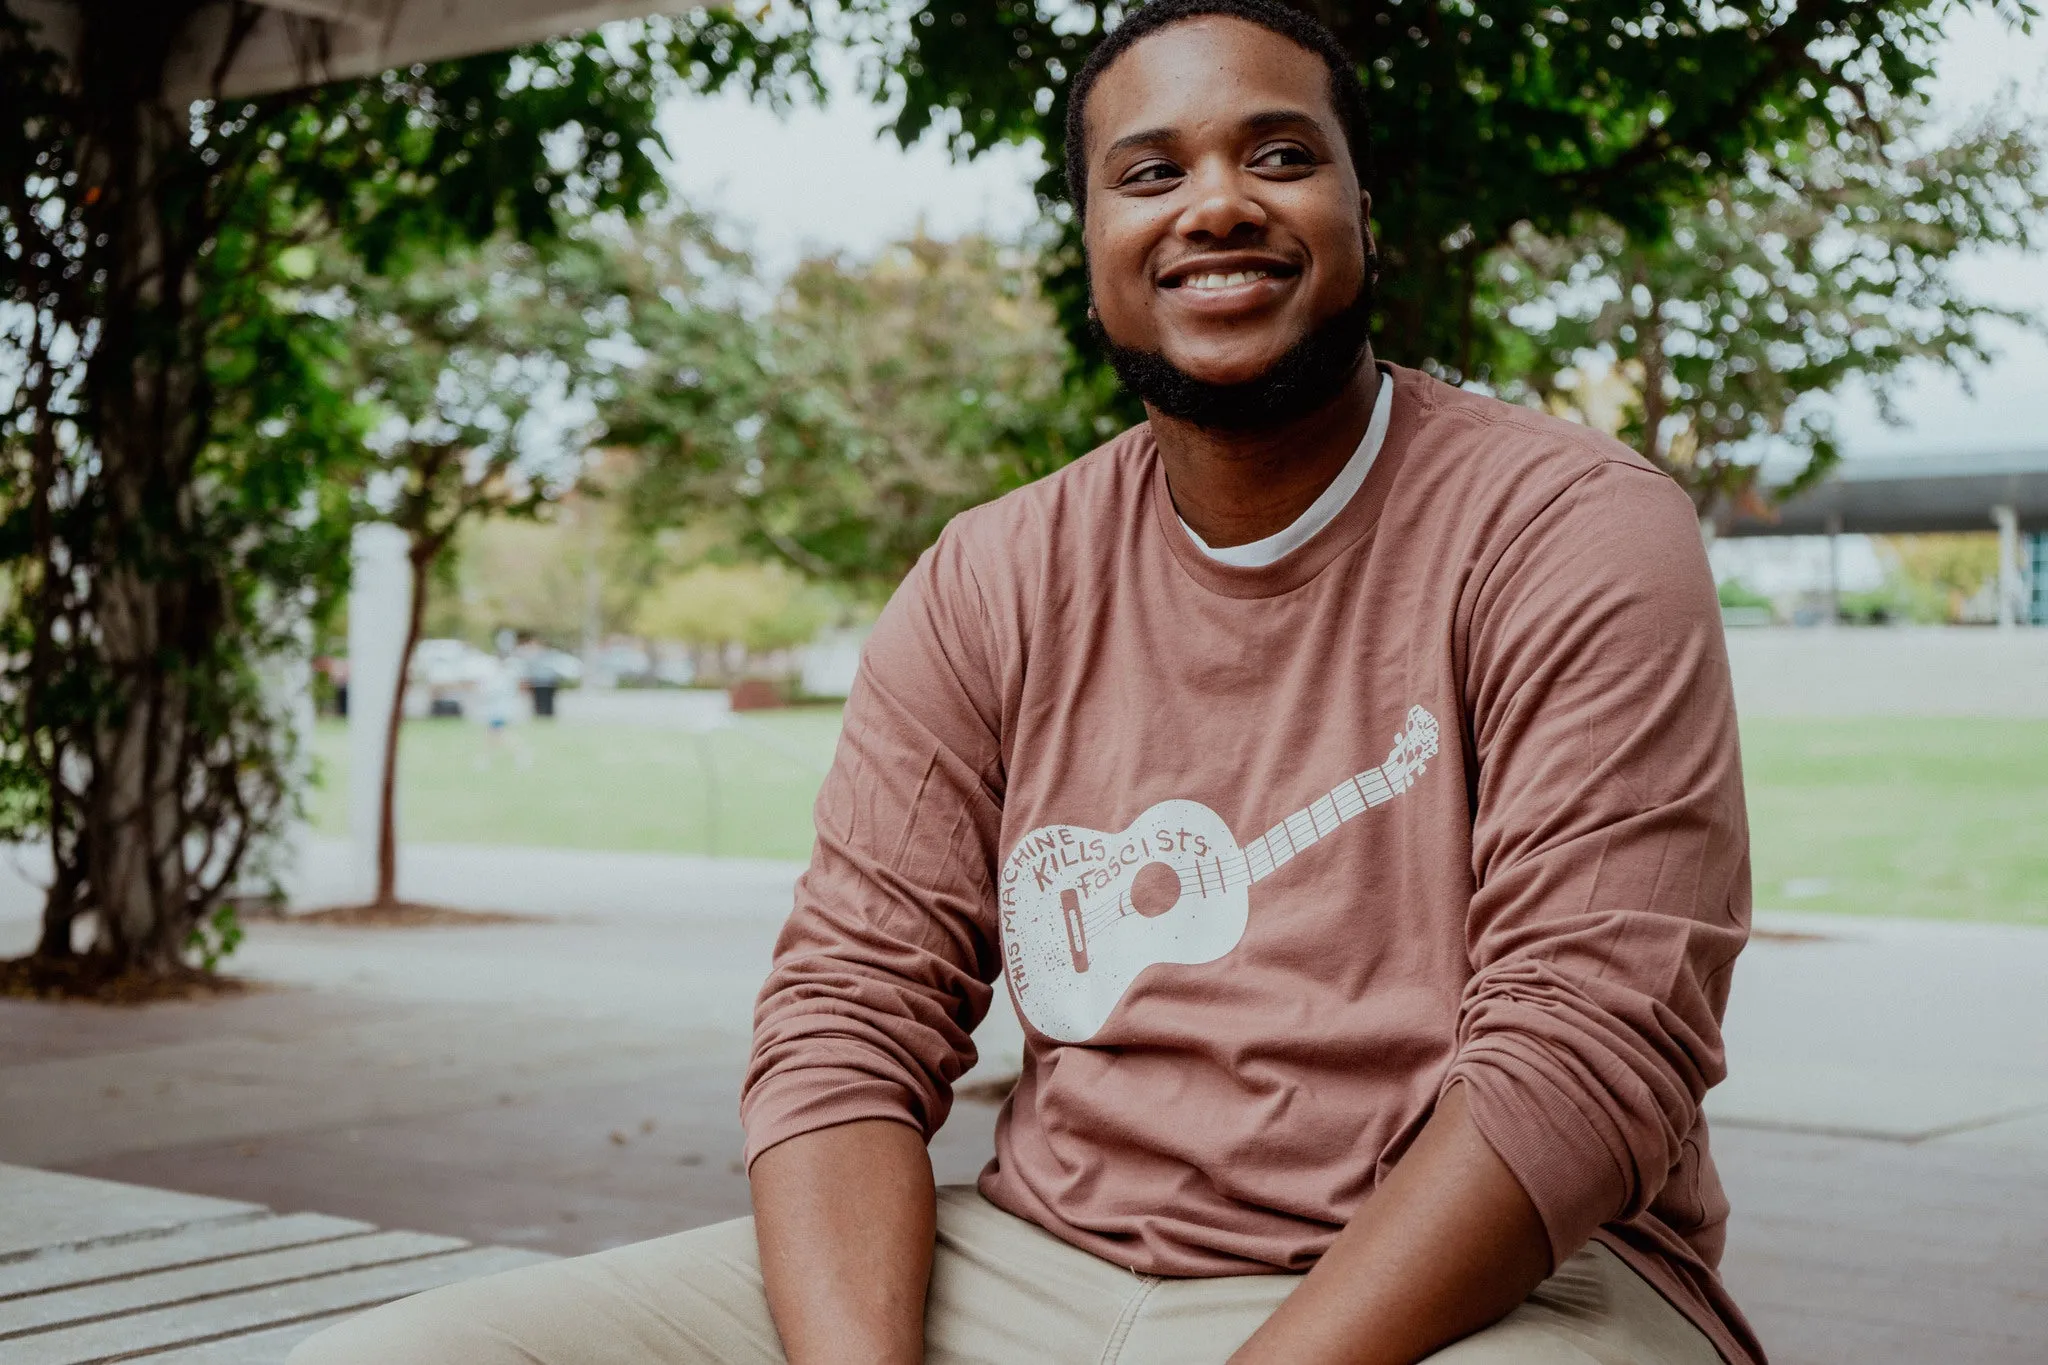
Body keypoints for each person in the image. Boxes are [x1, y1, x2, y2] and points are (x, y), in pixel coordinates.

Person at [291, 2, 1760, 1362]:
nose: (1217, 203)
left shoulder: (1572, 527)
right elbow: (848, 1014)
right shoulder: (992, 574)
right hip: (1040, 1258)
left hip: (1475, 1289)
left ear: (1363, 215)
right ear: (1094, 245)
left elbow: (1587, 1049)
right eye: (1149, 171)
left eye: (1282, 155)